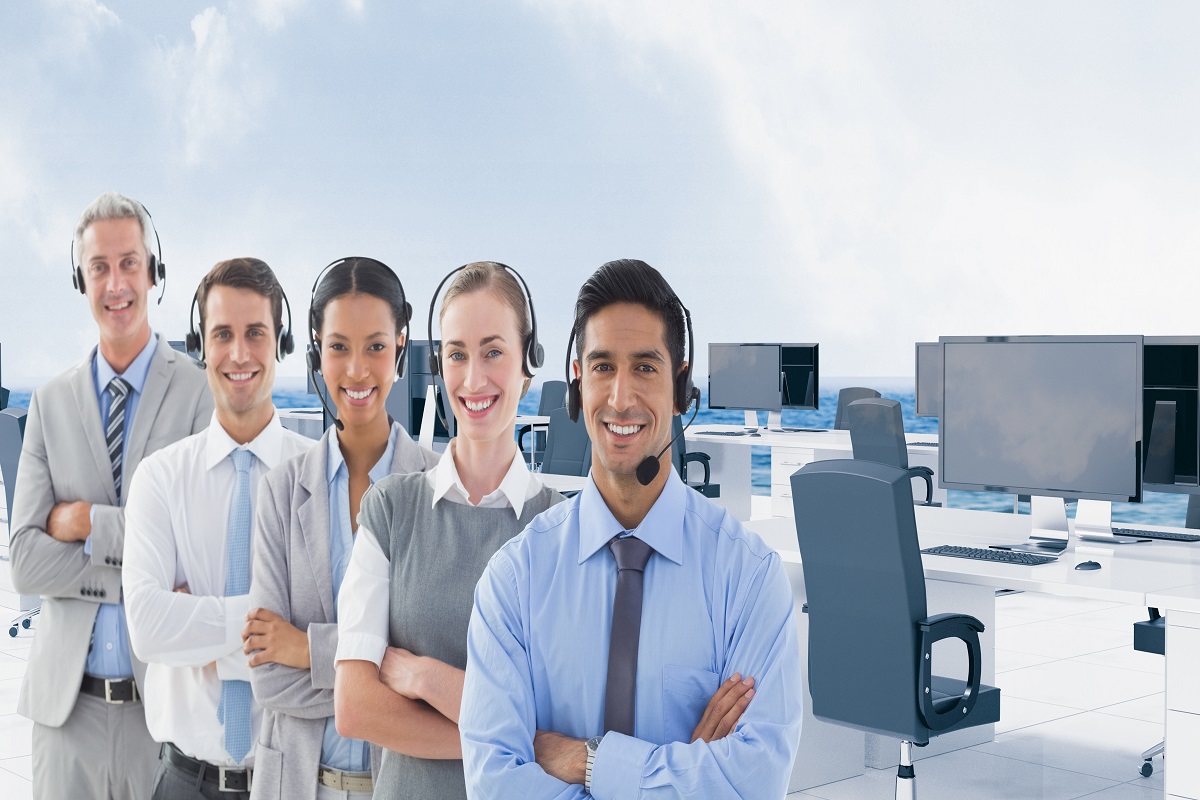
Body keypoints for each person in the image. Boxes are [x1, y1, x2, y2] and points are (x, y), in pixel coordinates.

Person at [460, 259, 804, 799]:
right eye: (602, 367)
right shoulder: (515, 580)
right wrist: (688, 770)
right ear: (577, 384)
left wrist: (588, 761)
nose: (621, 398)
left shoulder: (749, 579)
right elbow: (493, 783)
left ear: (680, 386)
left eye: (645, 367)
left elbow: (752, 784)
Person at [332, 262, 563, 799]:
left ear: (528, 363)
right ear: (439, 367)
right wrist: (513, 735)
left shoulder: (559, 531)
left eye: (494, 352)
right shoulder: (391, 509)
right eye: (457, 354)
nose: (474, 378)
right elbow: (354, 706)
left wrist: (425, 680)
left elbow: (566, 719)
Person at [9, 192, 212, 800]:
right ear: (81, 279)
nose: (116, 282)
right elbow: (25, 559)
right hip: (65, 717)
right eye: (99, 266)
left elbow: (194, 559)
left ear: (155, 272)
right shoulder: (47, 403)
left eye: (130, 262)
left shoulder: (202, 396)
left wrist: (86, 523)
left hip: (166, 721)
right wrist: (142, 557)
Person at [245, 257, 439, 800]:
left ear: (401, 350)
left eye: (376, 346)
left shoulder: (437, 489)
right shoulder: (281, 490)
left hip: (401, 786)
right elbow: (267, 676)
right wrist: (383, 673)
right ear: (315, 351)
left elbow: (442, 678)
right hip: (292, 784)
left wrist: (306, 649)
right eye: (338, 347)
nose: (356, 370)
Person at [123, 258, 313, 800]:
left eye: (256, 333)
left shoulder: (321, 477)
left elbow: (334, 640)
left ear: (282, 341)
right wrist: (275, 630)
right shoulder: (160, 477)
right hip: (184, 780)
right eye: (222, 334)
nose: (238, 353)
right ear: (199, 344)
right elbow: (149, 627)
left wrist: (200, 636)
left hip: (290, 783)